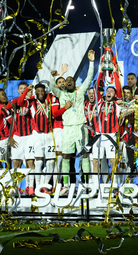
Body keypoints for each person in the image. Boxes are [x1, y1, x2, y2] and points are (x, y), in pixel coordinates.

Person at [50, 50, 95, 195]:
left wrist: (92, 62)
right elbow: (52, 87)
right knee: (65, 157)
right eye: (66, 81)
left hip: (81, 128)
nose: (68, 82)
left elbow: (89, 78)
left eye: (71, 80)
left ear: (75, 83)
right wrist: (57, 76)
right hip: (67, 129)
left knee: (85, 155)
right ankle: (66, 186)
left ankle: (87, 184)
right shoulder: (61, 94)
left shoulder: (80, 92)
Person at [9, 82, 35, 195]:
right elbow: (19, 102)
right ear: (18, 90)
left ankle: (30, 187)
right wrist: (10, 137)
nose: (23, 90)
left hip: (29, 136)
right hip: (17, 137)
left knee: (30, 161)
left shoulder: (32, 101)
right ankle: (16, 187)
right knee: (16, 162)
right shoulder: (15, 101)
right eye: (21, 89)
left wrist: (29, 92)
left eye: (26, 89)